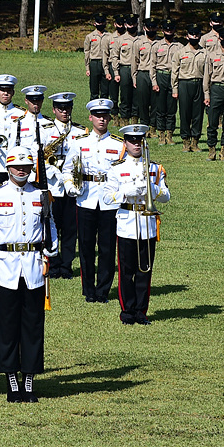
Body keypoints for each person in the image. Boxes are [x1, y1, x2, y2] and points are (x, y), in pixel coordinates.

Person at [0, 146, 57, 402]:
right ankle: (11, 378)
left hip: (34, 268)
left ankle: (29, 378)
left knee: (33, 326)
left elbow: (50, 223)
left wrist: (53, 243)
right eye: (17, 167)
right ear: (8, 168)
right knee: (7, 326)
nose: (22, 171)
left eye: (26, 167)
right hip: (6, 267)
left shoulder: (41, 194)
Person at [101, 125, 169, 326]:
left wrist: (153, 188)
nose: (136, 144)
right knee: (126, 271)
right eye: (132, 140)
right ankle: (127, 311)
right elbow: (106, 197)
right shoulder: (117, 168)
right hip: (127, 223)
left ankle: (141, 311)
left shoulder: (155, 168)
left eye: (139, 140)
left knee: (145, 271)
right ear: (125, 143)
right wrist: (126, 192)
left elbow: (166, 196)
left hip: (147, 223)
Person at [62, 99, 121, 304]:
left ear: (109, 118)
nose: (101, 119)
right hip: (86, 198)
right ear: (91, 117)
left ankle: (103, 290)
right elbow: (67, 169)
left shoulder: (118, 144)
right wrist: (70, 186)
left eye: (105, 115)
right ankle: (88, 289)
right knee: (86, 247)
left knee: (107, 247)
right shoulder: (80, 142)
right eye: (97, 115)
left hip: (109, 200)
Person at [39, 92, 87, 279]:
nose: (64, 111)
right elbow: (38, 156)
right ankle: (52, 263)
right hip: (52, 185)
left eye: (67, 108)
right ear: (54, 110)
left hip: (72, 186)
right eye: (60, 108)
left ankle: (66, 265)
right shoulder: (44, 129)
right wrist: (50, 171)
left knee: (70, 228)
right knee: (51, 225)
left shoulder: (80, 131)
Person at [203, 28, 224, 161]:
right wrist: (206, 94)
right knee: (212, 122)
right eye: (223, 38)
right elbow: (207, 76)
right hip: (216, 89)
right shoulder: (212, 55)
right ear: (219, 39)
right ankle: (212, 149)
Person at [172, 23, 207, 152]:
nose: (194, 36)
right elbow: (174, 72)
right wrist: (175, 89)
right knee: (185, 113)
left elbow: (208, 73)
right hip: (184, 84)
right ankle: (185, 141)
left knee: (198, 114)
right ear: (187, 36)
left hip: (199, 84)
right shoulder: (180, 52)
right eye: (192, 34)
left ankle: (195, 141)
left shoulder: (204, 53)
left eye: (197, 34)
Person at [131, 18, 160, 128]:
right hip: (142, 74)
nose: (151, 29)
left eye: (153, 27)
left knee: (155, 101)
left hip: (156, 75)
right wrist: (134, 78)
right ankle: (144, 123)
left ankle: (153, 125)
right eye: (149, 27)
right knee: (142, 102)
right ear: (144, 28)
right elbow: (135, 61)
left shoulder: (160, 43)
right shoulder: (138, 43)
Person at [83, 14, 113, 99]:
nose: (100, 24)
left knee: (105, 90)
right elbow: (87, 52)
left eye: (102, 22)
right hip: (94, 63)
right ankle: (94, 110)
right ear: (95, 23)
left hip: (106, 63)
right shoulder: (90, 36)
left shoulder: (110, 36)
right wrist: (87, 68)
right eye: (98, 23)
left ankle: (104, 110)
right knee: (94, 89)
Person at [106, 15, 127, 118]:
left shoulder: (128, 38)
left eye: (123, 24)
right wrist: (107, 71)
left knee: (125, 93)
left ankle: (124, 114)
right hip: (112, 66)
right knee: (113, 93)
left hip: (124, 67)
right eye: (119, 24)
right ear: (115, 24)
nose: (121, 26)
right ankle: (114, 114)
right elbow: (105, 54)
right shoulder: (110, 38)